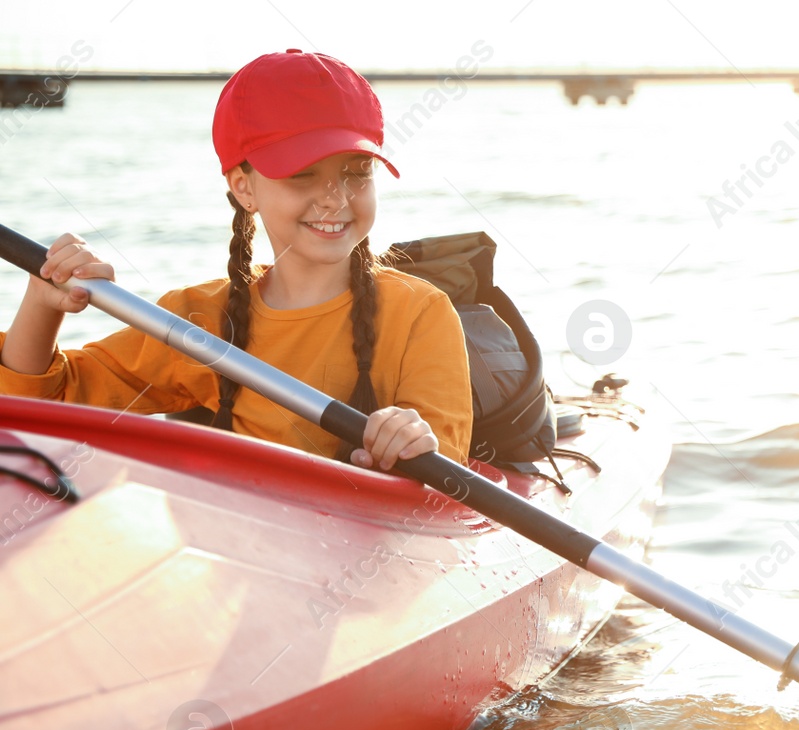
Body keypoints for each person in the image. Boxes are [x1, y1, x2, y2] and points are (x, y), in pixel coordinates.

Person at [0, 50, 471, 471]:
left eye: (356, 172)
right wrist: (42, 305)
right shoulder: (198, 321)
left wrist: (410, 438)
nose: (334, 199)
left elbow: (446, 472)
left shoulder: (419, 313)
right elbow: (46, 404)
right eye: (302, 175)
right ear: (244, 187)